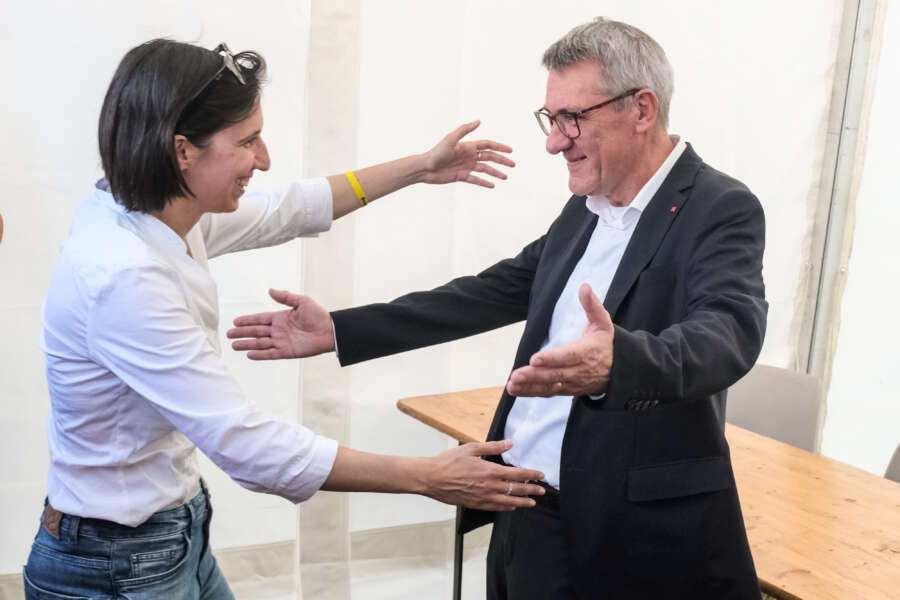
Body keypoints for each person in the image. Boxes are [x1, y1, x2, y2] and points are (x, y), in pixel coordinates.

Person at [228, 17, 768, 599]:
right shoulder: (588, 205)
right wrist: (340, 329)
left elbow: (728, 334)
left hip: (630, 535)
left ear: (641, 109)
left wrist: (620, 362)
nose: (554, 141)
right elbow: (491, 291)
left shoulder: (719, 206)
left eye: (572, 118)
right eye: (550, 118)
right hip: (525, 507)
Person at [24, 38, 547, 600]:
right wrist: (428, 476)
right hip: (115, 561)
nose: (264, 159)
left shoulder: (154, 212)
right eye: (247, 141)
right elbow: (249, 447)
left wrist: (421, 167)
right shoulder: (123, 275)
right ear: (182, 151)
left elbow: (288, 209)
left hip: (172, 531)